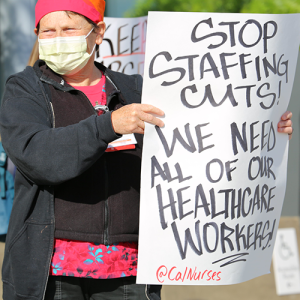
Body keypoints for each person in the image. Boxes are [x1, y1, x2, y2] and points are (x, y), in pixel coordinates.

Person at [0, 0, 293, 299]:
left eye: (68, 29)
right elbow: (37, 156)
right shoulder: (24, 90)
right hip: (49, 269)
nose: (59, 39)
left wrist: (262, 128)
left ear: (98, 32)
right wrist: (108, 125)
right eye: (48, 31)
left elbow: (196, 141)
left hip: (130, 267)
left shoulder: (138, 89)